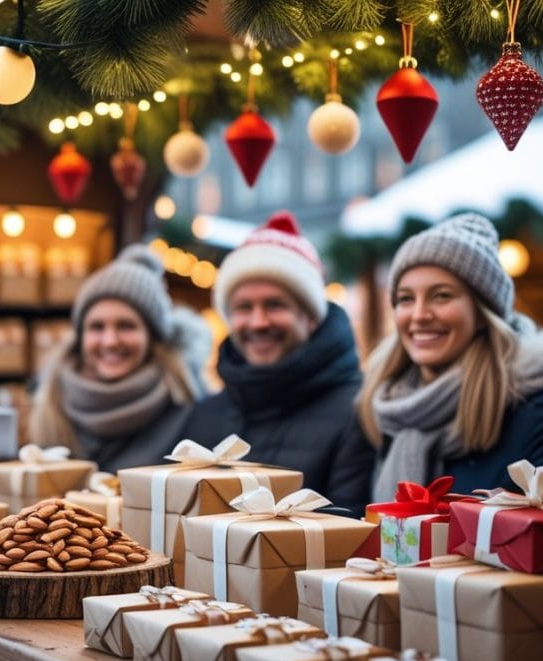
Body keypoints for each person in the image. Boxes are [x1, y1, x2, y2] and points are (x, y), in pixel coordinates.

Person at [357, 213, 543, 504]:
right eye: (406, 298)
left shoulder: (537, 413)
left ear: (484, 314)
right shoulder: (392, 411)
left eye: (441, 296)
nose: (419, 315)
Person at [181, 211, 373, 512]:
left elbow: (351, 534)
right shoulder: (205, 414)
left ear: (310, 316)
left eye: (274, 305)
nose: (258, 322)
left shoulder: (357, 413)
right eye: (244, 307)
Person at [28, 244, 209, 472]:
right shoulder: (51, 404)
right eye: (96, 327)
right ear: (80, 336)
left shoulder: (190, 406)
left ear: (152, 336)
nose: (110, 341)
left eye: (126, 326)